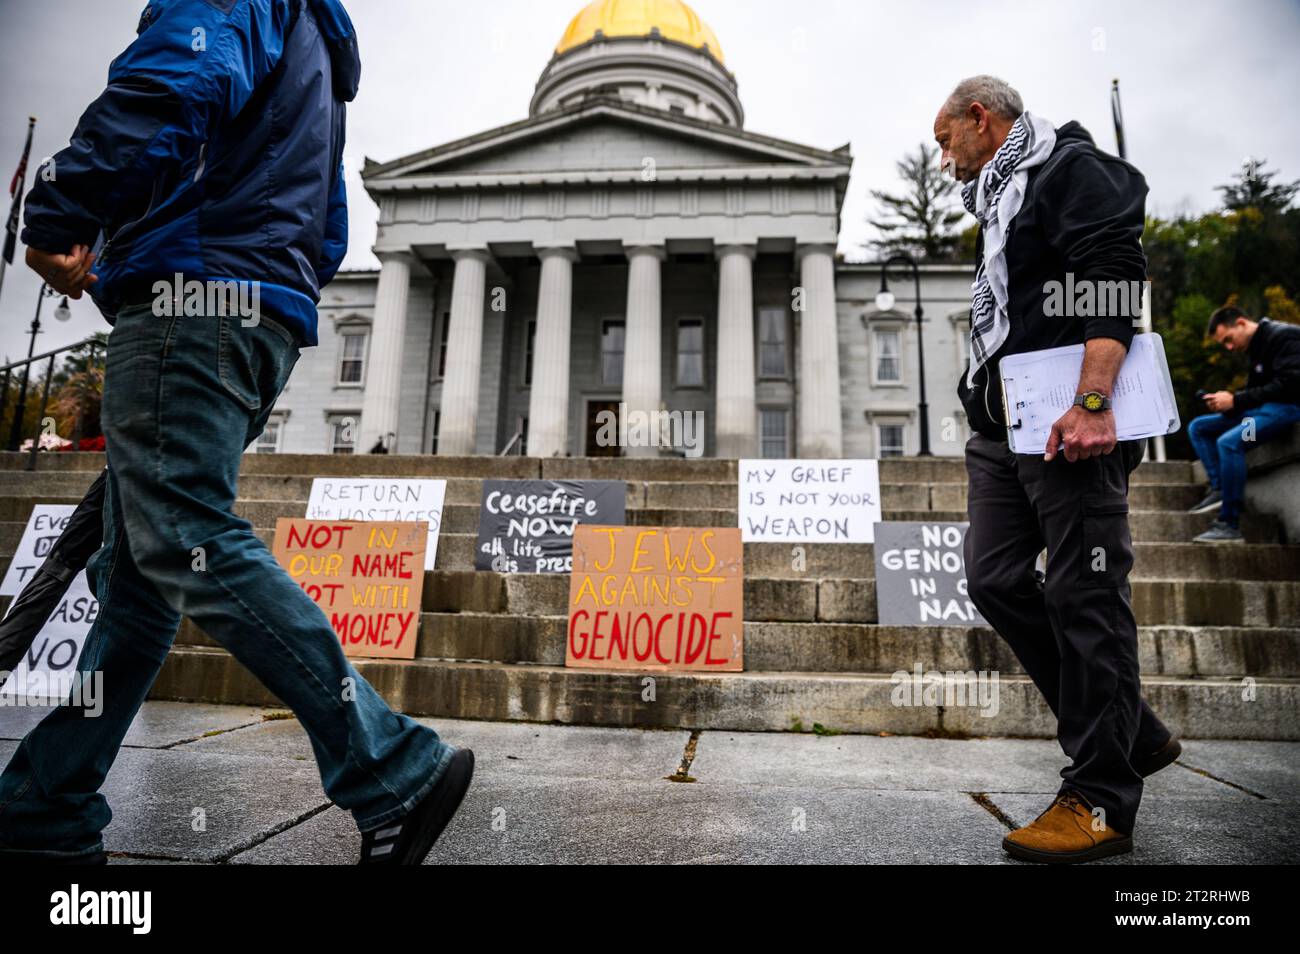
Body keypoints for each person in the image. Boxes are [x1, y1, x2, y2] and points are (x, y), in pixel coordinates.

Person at [0, 0, 472, 865]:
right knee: (141, 579)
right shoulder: (317, 43)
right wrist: (272, 290)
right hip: (255, 309)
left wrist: (67, 205)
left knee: (181, 536)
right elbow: (329, 227)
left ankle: (393, 766)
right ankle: (43, 805)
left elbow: (179, 77)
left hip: (193, 296)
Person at [936, 75, 1180, 864]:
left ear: (983, 118)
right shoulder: (1000, 204)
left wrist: (1096, 401)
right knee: (994, 577)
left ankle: (1100, 799)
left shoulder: (1065, 168)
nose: (944, 161)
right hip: (1004, 430)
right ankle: (1129, 728)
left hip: (1070, 423)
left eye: (946, 140)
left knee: (1085, 592)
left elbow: (1112, 276)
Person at [1186, 306, 1300, 544]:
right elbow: (1256, 392)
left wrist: (1236, 400)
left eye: (1228, 339)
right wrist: (1227, 402)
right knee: (1199, 427)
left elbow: (1290, 385)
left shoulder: (1284, 336)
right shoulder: (1255, 347)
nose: (1228, 347)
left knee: (1230, 443)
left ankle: (1229, 524)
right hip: (1258, 411)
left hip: (1285, 410)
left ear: (1241, 323)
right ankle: (1219, 488)